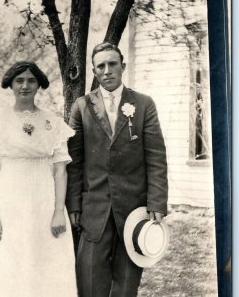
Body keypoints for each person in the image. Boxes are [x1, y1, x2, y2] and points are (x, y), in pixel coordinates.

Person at [66, 42, 168, 297]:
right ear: (94, 72)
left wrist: (156, 202)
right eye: (101, 66)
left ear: (123, 66)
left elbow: (156, 157)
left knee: (126, 283)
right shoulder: (81, 107)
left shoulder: (144, 105)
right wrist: (74, 205)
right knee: (89, 279)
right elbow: (74, 162)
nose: (107, 70)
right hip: (95, 207)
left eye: (113, 64)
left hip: (133, 209)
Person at [0, 61, 77, 296]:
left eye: (31, 80)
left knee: (44, 261)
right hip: (9, 201)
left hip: (43, 202)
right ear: (10, 84)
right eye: (19, 80)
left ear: (39, 84)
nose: (25, 86)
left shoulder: (53, 123)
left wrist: (59, 210)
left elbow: (61, 171)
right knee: (8, 263)